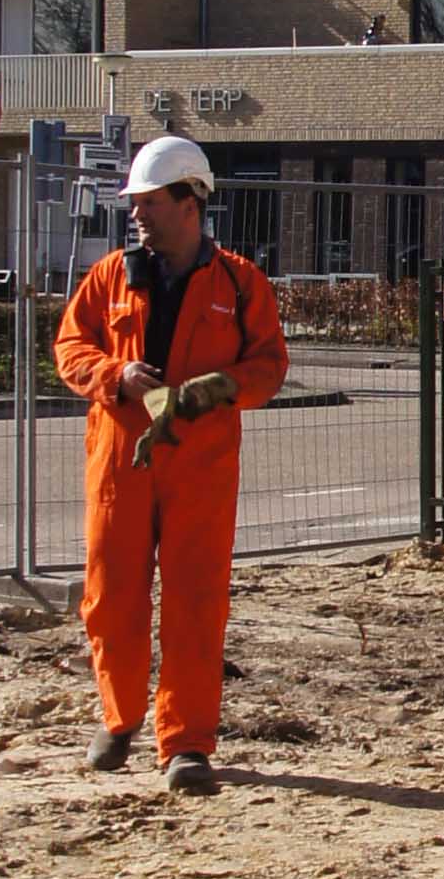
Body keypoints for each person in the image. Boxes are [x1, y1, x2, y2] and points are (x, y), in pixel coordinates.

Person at [51, 134, 287, 796]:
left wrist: (223, 388)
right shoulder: (108, 278)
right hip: (120, 464)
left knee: (195, 602)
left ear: (192, 202)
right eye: (137, 202)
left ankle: (184, 743)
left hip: (201, 469)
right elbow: (70, 347)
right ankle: (120, 718)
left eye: (152, 202)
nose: (139, 214)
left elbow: (269, 365)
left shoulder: (240, 284)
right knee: (110, 597)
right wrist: (112, 373)